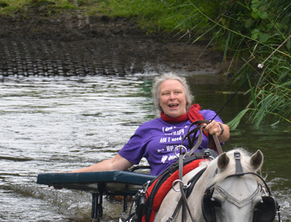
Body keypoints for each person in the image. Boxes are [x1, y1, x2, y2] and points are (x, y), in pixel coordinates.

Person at [72, 72, 230, 176]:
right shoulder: (147, 130)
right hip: (164, 185)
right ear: (159, 102)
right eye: (166, 94)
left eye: (177, 92)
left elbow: (225, 133)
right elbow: (115, 163)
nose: (172, 97)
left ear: (187, 98)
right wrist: (73, 174)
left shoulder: (206, 116)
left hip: (203, 178)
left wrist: (218, 128)